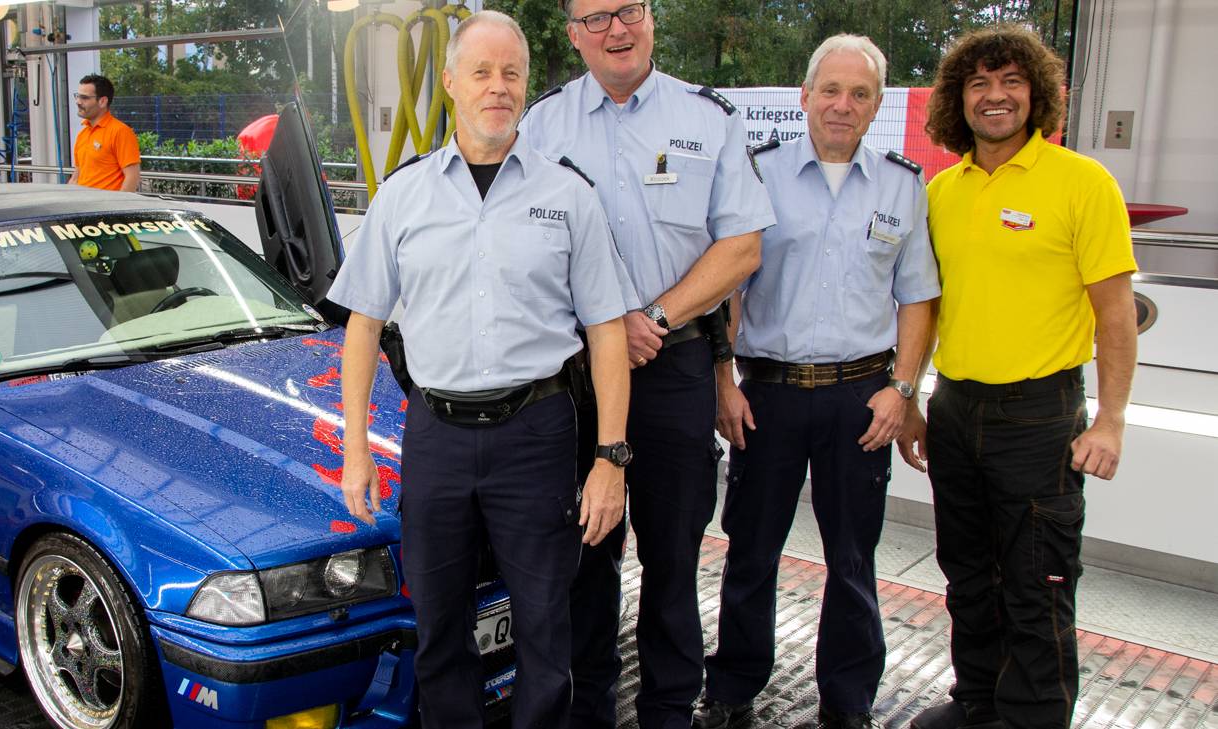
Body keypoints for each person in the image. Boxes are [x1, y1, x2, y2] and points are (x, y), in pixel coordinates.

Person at [329, 11, 636, 729]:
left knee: (544, 629)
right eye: (482, 72)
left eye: (512, 74)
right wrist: (354, 450)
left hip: (537, 433)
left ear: (526, 85)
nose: (498, 88)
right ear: (449, 84)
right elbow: (364, 326)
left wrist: (610, 458)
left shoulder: (568, 195)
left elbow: (608, 334)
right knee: (439, 630)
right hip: (435, 435)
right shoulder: (404, 195)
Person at [517, 0, 776, 725]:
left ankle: (667, 709)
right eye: (596, 19)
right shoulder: (541, 126)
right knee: (582, 560)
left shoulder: (710, 119)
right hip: (573, 379)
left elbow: (742, 247)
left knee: (672, 559)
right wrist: (601, 327)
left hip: (674, 369)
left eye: (628, 9)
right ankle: (587, 709)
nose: (616, 30)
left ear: (652, 18)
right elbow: (517, 248)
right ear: (574, 37)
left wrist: (651, 319)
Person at [697, 35, 940, 729]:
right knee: (751, 550)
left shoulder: (903, 184)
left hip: (860, 396)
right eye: (829, 91)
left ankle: (848, 702)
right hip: (767, 392)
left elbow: (918, 296)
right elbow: (728, 283)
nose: (842, 105)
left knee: (853, 558)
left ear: (876, 106)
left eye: (859, 94)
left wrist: (904, 387)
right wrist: (724, 378)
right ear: (804, 97)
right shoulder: (759, 174)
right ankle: (734, 687)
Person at [907, 25, 1137, 729]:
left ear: (1036, 94)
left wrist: (1111, 420)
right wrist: (910, 395)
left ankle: (1033, 715)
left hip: (1040, 414)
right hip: (955, 408)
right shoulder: (944, 190)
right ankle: (977, 699)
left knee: (1036, 578)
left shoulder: (1082, 182)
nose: (995, 96)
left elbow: (1116, 315)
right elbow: (930, 304)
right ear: (959, 99)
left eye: (1010, 82)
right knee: (969, 574)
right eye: (980, 83)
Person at [69, 74, 142, 192]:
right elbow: (76, 177)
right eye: (77, 96)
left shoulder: (120, 132)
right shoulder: (82, 134)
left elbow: (132, 177)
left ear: (102, 101)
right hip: (83, 206)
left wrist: (117, 208)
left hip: (105, 208)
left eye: (84, 98)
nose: (78, 101)